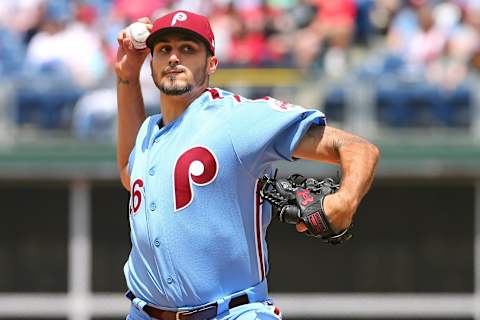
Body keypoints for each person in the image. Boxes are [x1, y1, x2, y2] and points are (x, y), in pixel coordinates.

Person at [115, 10, 379, 320]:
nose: (174, 57)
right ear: (152, 63)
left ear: (211, 63)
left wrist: (345, 200)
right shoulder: (148, 131)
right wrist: (127, 76)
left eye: (188, 48)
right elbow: (127, 172)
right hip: (144, 313)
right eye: (164, 49)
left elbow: (358, 148)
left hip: (232, 312)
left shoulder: (236, 118)